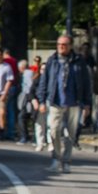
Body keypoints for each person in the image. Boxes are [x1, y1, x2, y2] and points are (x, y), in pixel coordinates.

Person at [38, 35, 93, 173]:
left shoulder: (79, 62)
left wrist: (87, 103)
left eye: (64, 44)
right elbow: (44, 81)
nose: (61, 47)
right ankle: (56, 158)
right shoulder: (52, 60)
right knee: (54, 130)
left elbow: (86, 83)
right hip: (56, 100)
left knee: (71, 133)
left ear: (70, 46)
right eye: (59, 44)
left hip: (74, 102)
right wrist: (41, 100)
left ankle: (66, 160)